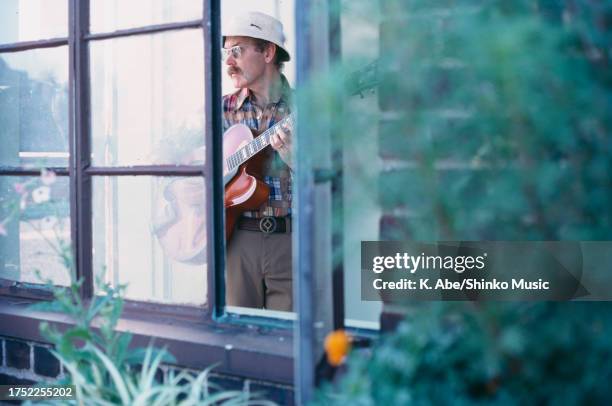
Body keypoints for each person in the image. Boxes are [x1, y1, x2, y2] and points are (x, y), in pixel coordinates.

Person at [222, 11, 294, 311]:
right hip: (237, 240)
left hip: (290, 242)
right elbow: (189, 165)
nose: (228, 62)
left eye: (236, 51)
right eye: (226, 53)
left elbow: (333, 180)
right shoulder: (222, 109)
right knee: (237, 337)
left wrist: (296, 161)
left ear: (267, 51)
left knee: (290, 343)